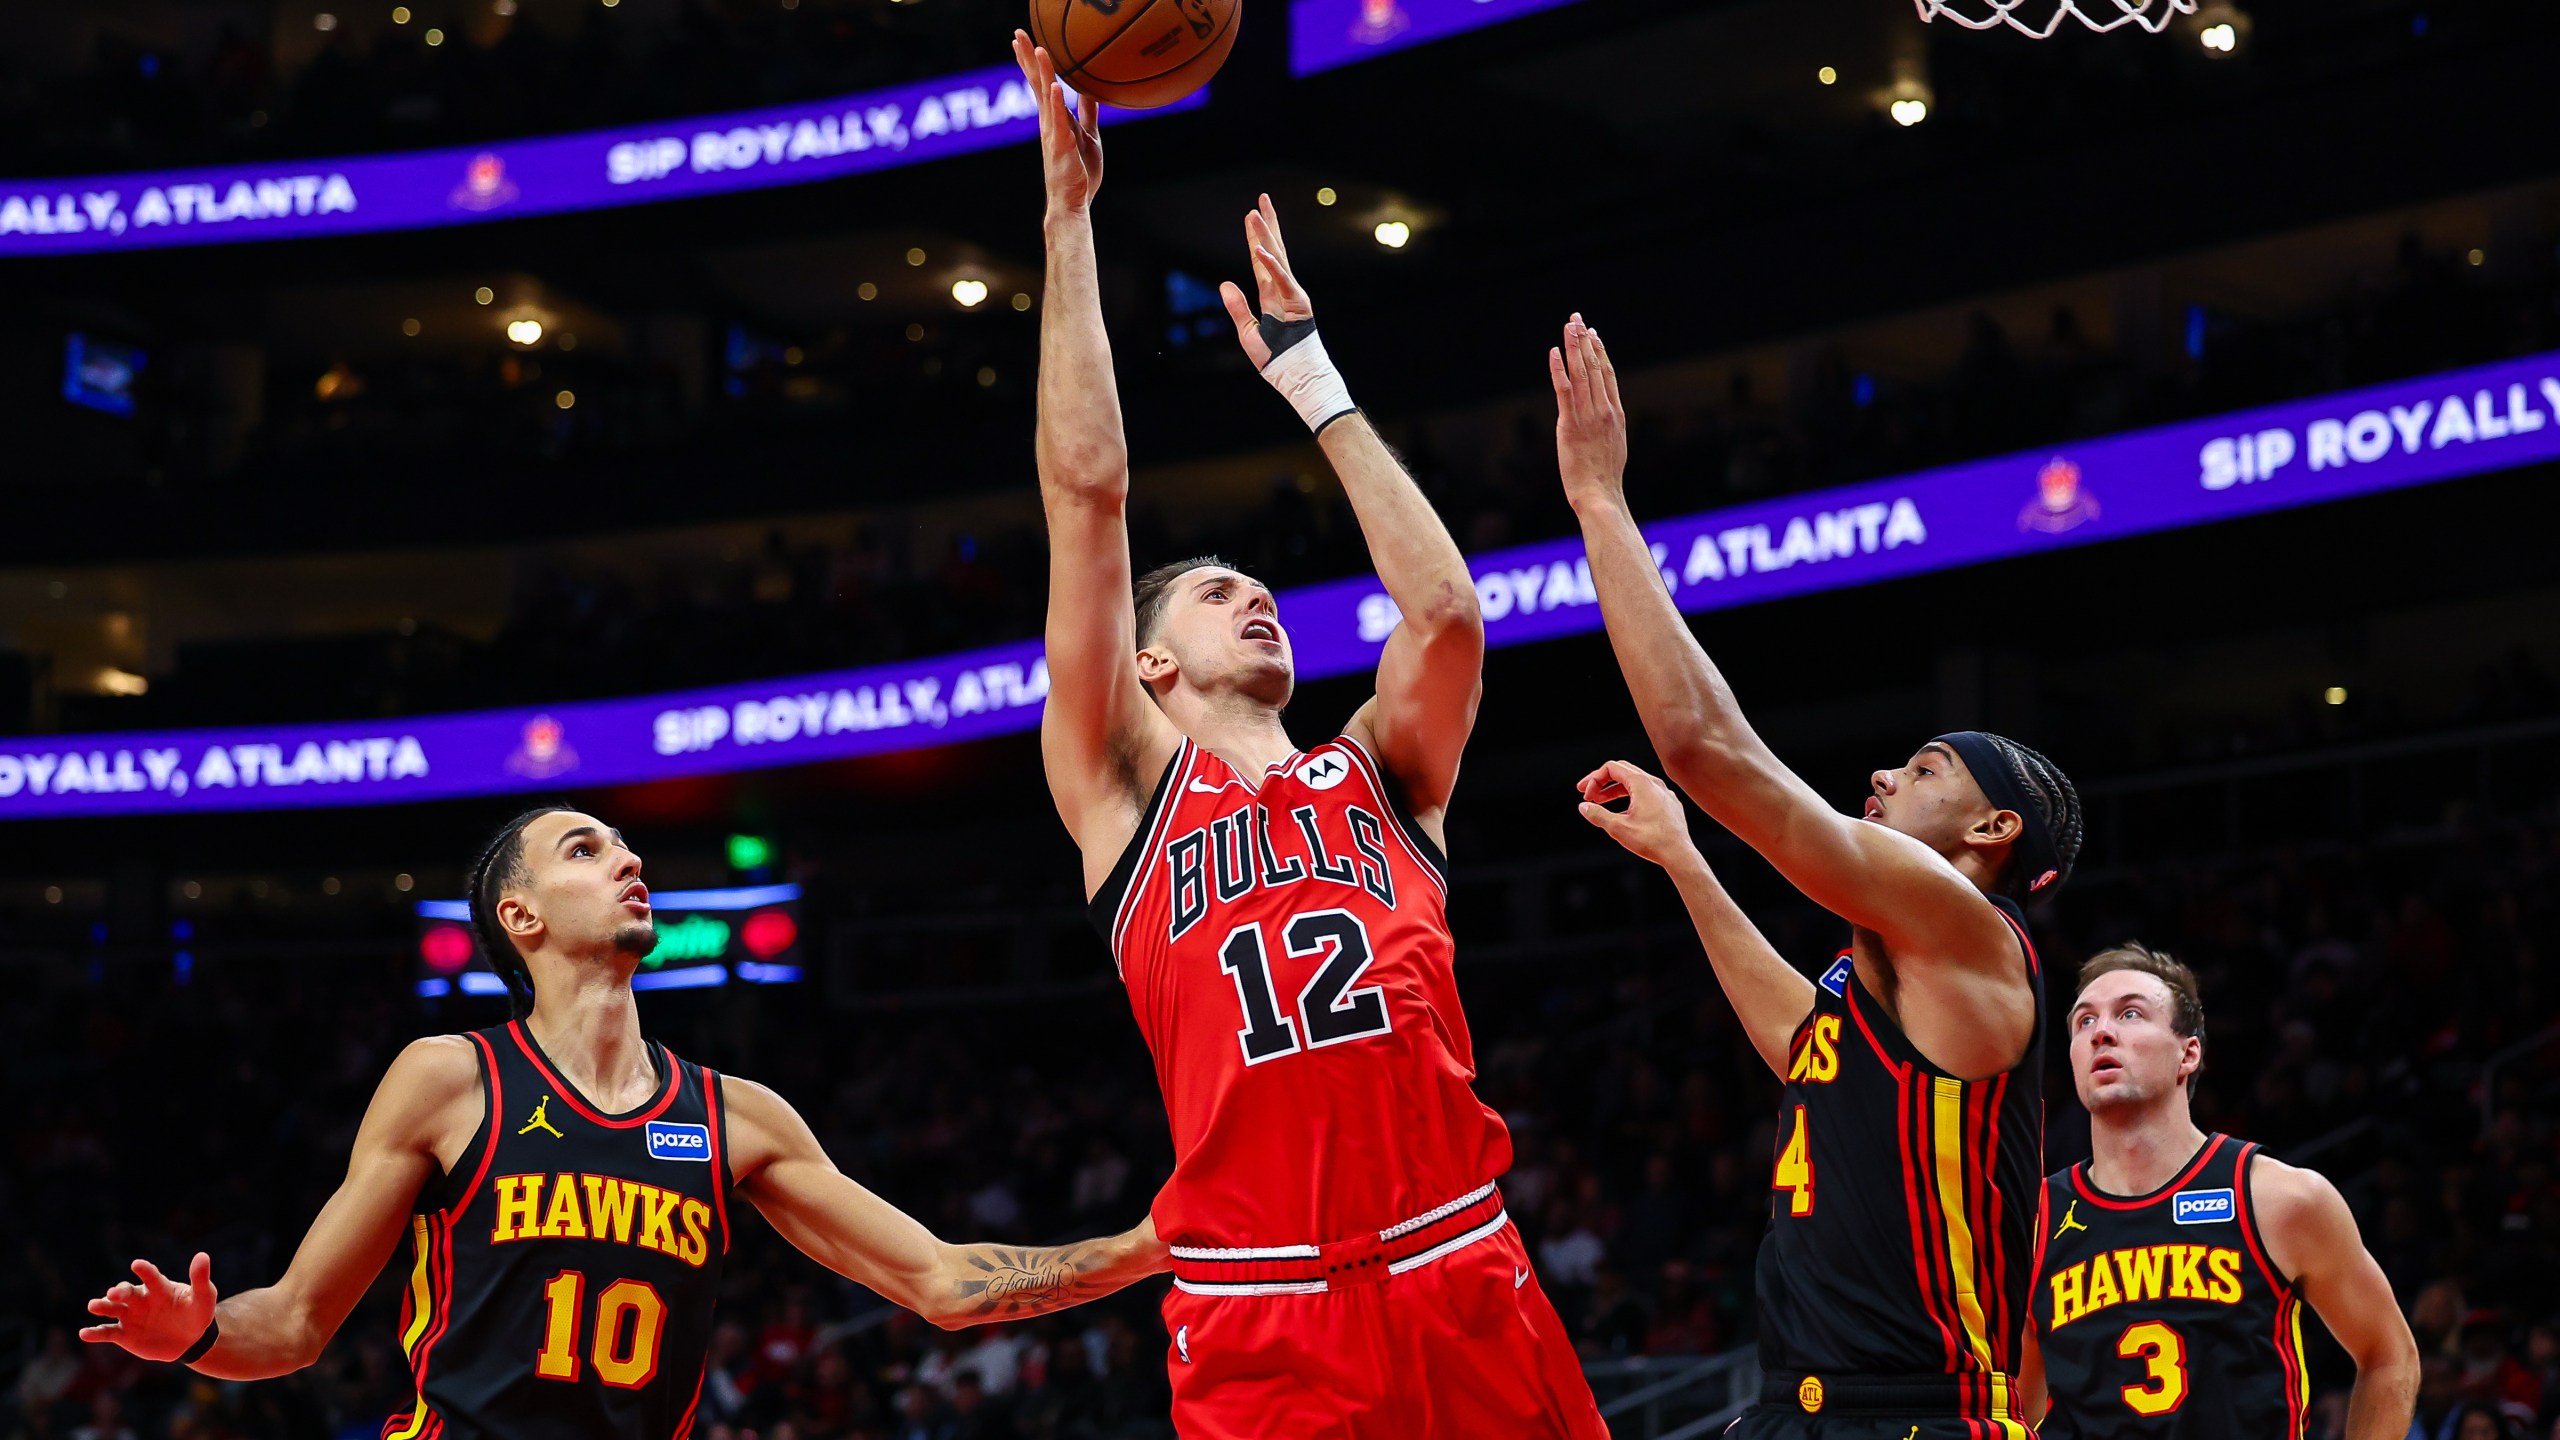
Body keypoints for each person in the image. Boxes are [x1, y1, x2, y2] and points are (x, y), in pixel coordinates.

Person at [1012, 33, 1604, 1440]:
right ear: (1153, 663)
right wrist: (1069, 224)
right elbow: (1088, 497)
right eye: (1223, 597)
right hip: (1261, 1303)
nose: (1260, 602)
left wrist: (1312, 380)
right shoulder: (1119, 795)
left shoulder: (1383, 774)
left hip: (1463, 1263)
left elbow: (1449, 613)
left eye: (1268, 592)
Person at [78, 807, 1165, 1440]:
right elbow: (299, 1324)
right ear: (523, 916)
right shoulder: (451, 1079)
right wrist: (200, 1337)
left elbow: (939, 1281)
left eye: (627, 848)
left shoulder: (738, 1117)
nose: (631, 861)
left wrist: (1142, 1249)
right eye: (587, 851)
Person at [1557, 315, 2080, 1440]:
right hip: (1797, 1408)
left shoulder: (1970, 929)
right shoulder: (1892, 969)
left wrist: (1601, 501)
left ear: (1991, 827)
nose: (1886, 771)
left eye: (1926, 766)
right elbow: (1806, 1046)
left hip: (1916, 1414)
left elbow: (1707, 748)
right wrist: (1684, 859)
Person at [2022, 944, 2419, 1440]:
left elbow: (2388, 1356)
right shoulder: (2032, 1217)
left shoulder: (2279, 1199)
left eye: (2130, 1013)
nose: (2101, 1031)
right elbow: (2018, 1406)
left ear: (2188, 1054)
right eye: (2084, 1022)